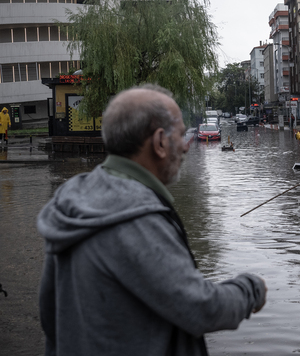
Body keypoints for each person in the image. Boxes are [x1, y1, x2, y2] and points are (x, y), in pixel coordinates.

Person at [37, 84, 267, 356]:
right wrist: (250, 288)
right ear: (159, 143)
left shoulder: (73, 200)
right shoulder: (135, 216)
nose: (186, 145)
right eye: (181, 135)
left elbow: (49, 313)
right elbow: (201, 308)